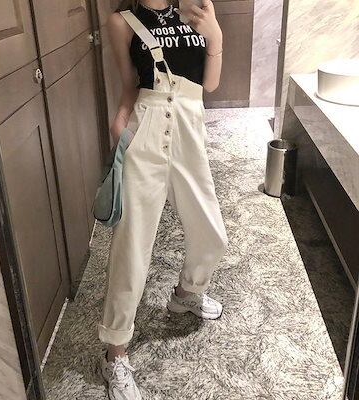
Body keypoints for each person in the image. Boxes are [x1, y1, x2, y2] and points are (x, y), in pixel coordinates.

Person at [99, 1, 228, 398]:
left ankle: (186, 294)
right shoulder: (121, 22)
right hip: (146, 127)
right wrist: (120, 123)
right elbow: (129, 84)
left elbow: (210, 85)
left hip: (189, 126)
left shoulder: (195, 11)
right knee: (132, 243)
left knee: (211, 233)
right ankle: (114, 353)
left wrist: (216, 36)